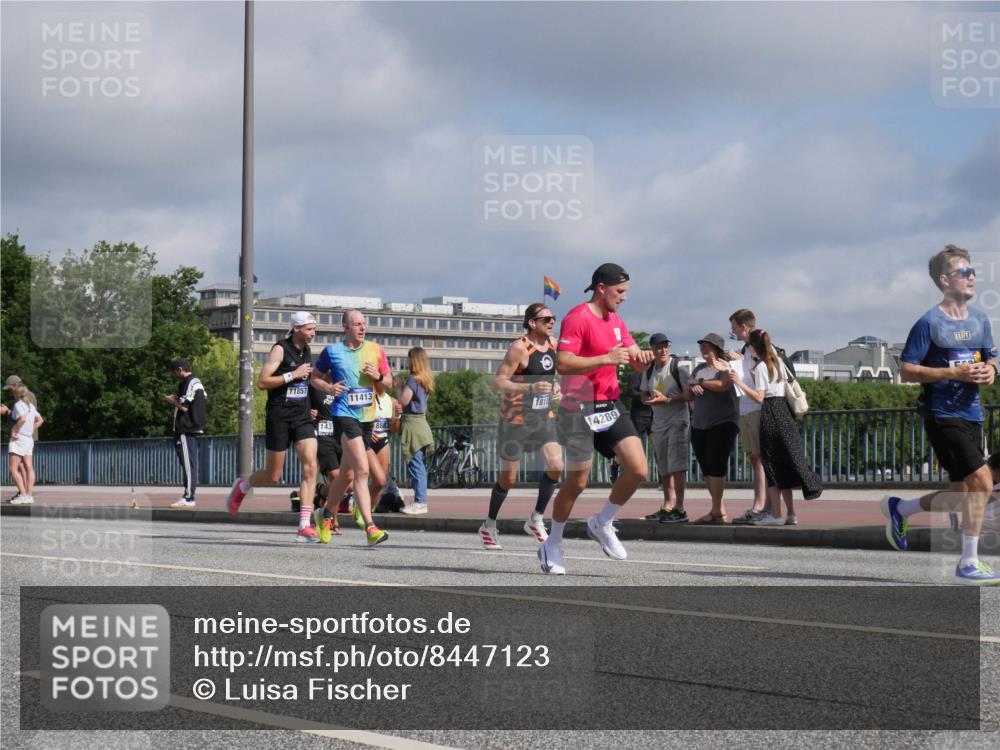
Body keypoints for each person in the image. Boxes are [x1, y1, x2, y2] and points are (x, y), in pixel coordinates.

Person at [882, 244, 1000, 585]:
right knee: (983, 483)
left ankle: (900, 509)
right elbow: (907, 370)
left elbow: (991, 357)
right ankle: (968, 564)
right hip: (942, 414)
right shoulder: (928, 323)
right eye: (964, 272)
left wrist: (991, 370)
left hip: (973, 414)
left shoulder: (980, 320)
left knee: (961, 496)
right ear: (945, 280)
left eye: (973, 271)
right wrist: (952, 373)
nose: (972, 276)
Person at [538, 262, 653, 575]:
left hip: (609, 404)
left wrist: (642, 359)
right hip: (577, 407)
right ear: (602, 288)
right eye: (620, 291)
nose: (624, 297)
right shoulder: (577, 317)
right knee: (578, 481)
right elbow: (563, 363)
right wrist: (606, 358)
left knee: (638, 468)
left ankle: (602, 522)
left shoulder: (616, 320)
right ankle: (553, 543)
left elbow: (632, 356)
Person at [226, 311, 320, 543]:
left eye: (314, 329)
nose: (313, 333)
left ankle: (304, 526)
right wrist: (292, 375)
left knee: (311, 466)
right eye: (309, 329)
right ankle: (243, 486)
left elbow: (305, 382)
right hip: (279, 416)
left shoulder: (306, 350)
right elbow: (262, 382)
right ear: (296, 329)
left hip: (302, 416)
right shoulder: (280, 349)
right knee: (273, 475)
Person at [481, 302, 564, 549]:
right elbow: (498, 383)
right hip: (515, 420)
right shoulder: (519, 347)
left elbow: (550, 378)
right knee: (509, 477)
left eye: (553, 318)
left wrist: (556, 388)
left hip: (542, 417)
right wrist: (529, 387)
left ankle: (536, 518)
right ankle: (489, 525)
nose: (552, 322)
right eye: (546, 319)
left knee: (556, 466)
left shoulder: (553, 344)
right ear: (532, 323)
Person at [312, 309, 391, 546]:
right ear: (345, 327)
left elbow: (389, 382)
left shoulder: (375, 350)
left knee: (346, 474)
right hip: (344, 415)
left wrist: (378, 377)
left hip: (367, 418)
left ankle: (325, 514)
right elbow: (314, 378)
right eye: (356, 324)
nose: (362, 327)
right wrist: (329, 388)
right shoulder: (332, 352)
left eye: (364, 323)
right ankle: (370, 527)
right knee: (362, 471)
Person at [730, 329, 822, 525]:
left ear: (753, 347)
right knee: (785, 463)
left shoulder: (762, 366)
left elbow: (759, 397)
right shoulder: (777, 362)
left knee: (772, 466)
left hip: (770, 413)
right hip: (784, 413)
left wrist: (739, 382)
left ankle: (776, 515)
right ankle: (791, 514)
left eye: (749, 346)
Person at [685, 334, 740, 523]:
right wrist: (692, 388)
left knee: (716, 465)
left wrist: (699, 383)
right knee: (706, 468)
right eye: (701, 346)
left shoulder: (725, 366)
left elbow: (723, 385)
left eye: (707, 346)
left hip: (722, 422)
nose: (703, 349)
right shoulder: (699, 368)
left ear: (716, 348)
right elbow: (687, 394)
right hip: (699, 424)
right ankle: (718, 509)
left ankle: (717, 510)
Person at [640, 333, 691, 523]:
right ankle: (667, 505)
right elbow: (643, 394)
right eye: (659, 347)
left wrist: (667, 400)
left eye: (666, 346)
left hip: (678, 421)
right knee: (663, 466)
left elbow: (688, 396)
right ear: (652, 349)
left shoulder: (678, 367)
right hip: (658, 423)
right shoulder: (649, 370)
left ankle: (680, 508)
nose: (663, 350)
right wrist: (648, 400)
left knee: (677, 465)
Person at [727, 310, 769, 524]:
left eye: (734, 328)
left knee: (759, 458)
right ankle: (760, 504)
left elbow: (765, 372)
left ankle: (762, 505)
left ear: (744, 326)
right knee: (755, 457)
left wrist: (742, 362)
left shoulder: (757, 346)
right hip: (746, 407)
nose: (733, 332)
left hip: (755, 407)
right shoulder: (746, 349)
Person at [164, 359, 207, 508]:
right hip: (193, 428)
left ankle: (189, 497)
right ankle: (188, 496)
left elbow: (184, 407)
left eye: (175, 371)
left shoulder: (188, 382)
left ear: (180, 369)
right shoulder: (196, 382)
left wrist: (172, 401)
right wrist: (178, 399)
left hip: (185, 428)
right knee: (190, 463)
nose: (175, 374)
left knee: (188, 464)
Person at [399, 347, 435, 515]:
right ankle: (420, 501)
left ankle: (420, 502)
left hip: (413, 425)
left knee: (416, 465)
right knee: (419, 465)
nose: (406, 361)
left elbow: (403, 401)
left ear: (413, 360)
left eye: (408, 358)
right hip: (422, 423)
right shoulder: (425, 379)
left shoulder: (413, 379)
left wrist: (399, 387)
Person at [309, 379, 343, 536]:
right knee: (336, 478)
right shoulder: (314, 383)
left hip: (341, 436)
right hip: (322, 436)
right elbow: (299, 404)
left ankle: (322, 492)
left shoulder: (344, 380)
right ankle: (332, 520)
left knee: (345, 482)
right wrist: (307, 412)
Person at [7, 381, 44, 504]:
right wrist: (31, 429)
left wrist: (14, 430)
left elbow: (22, 419)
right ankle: (29, 495)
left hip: (19, 438)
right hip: (29, 439)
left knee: (13, 468)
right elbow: (40, 420)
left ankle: (22, 494)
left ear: (16, 393)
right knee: (29, 467)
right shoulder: (30, 406)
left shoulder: (18, 405)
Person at [367, 390, 402, 516]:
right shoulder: (368, 397)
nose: (389, 382)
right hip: (367, 441)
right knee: (363, 477)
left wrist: (397, 416)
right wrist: (367, 431)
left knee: (380, 481)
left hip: (383, 441)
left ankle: (366, 509)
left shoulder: (392, 401)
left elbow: (394, 429)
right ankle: (360, 506)